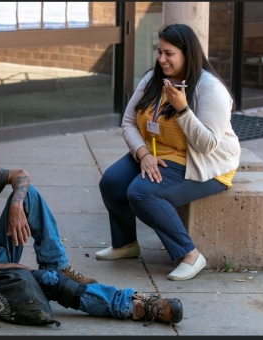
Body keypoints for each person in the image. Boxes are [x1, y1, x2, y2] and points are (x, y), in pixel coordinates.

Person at [0, 130, 183, 325]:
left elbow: (21, 175)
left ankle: (56, 263)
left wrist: (16, 203)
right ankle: (129, 305)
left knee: (28, 193)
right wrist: (13, 267)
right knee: (50, 282)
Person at [96, 23, 241, 281]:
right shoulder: (152, 79)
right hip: (156, 153)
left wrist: (183, 109)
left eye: (169, 53)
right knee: (111, 182)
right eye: (159, 51)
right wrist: (143, 154)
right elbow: (128, 122)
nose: (161, 59)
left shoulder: (210, 89)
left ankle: (190, 255)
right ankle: (125, 244)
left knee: (142, 193)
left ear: (187, 53)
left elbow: (207, 144)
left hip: (201, 162)